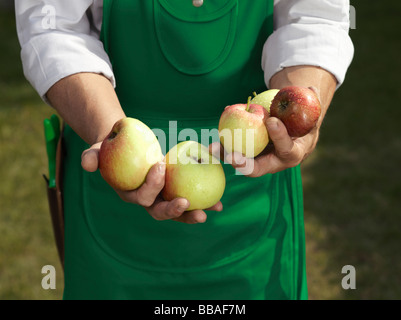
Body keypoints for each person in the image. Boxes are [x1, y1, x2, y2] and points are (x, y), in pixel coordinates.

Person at [15, 0, 354, 300]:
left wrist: (298, 121)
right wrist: (110, 135)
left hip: (256, 189)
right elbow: (52, 26)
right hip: (111, 191)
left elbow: (315, 16)